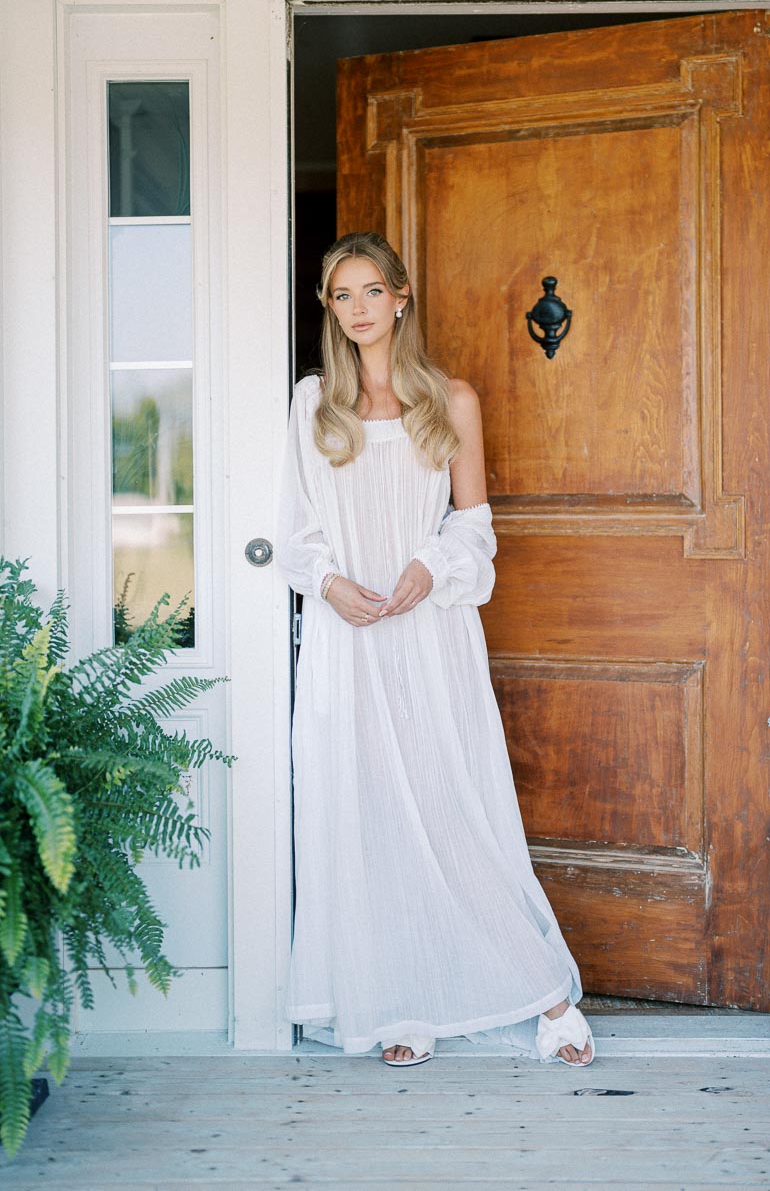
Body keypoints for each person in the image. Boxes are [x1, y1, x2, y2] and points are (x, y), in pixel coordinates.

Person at [274, 231, 595, 1069]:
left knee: (456, 807)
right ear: (328, 308)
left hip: (428, 636)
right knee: (367, 812)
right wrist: (330, 584)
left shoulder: (451, 400)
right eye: (340, 296)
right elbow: (296, 532)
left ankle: (546, 993)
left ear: (402, 297)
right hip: (347, 645)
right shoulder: (313, 405)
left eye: (371, 292)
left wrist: (427, 566)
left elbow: (474, 526)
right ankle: (402, 1000)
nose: (357, 310)